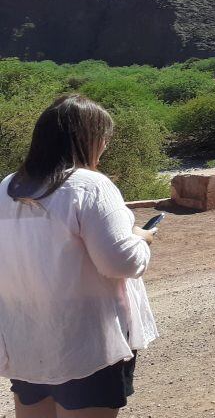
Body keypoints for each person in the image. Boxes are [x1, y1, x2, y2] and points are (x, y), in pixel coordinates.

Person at [0, 94, 158, 417]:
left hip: (27, 341)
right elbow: (119, 261)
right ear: (86, 139)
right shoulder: (90, 186)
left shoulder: (7, 188)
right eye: (103, 138)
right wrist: (142, 239)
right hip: (87, 344)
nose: (104, 147)